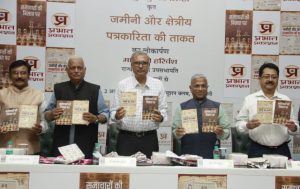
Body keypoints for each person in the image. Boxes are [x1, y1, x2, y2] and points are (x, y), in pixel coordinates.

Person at [44, 56, 109, 158]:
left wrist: (96, 118)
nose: (76, 71)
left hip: (87, 142)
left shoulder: (94, 90)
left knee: (84, 173)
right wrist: (51, 114)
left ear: (84, 70)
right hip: (61, 142)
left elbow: (106, 114)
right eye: (73, 68)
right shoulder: (59, 88)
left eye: (79, 68)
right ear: (67, 70)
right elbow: (46, 114)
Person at [236, 63, 299, 158]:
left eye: (274, 77)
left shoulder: (286, 99)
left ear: (278, 79)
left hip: (282, 150)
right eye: (266, 76)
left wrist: (293, 127)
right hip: (257, 149)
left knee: (283, 174)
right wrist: (247, 125)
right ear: (260, 78)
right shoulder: (250, 99)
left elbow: (296, 128)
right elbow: (238, 125)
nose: (270, 80)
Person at [111, 51, 167, 158]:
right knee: (125, 172)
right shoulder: (122, 85)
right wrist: (117, 115)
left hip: (149, 138)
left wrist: (160, 117)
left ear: (149, 65)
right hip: (126, 138)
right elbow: (113, 112)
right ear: (131, 65)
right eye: (137, 63)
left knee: (149, 172)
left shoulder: (158, 85)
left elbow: (163, 110)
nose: (140, 66)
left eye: (144, 63)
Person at [172, 74, 230, 159]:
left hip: (211, 157)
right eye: (196, 86)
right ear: (190, 88)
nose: (200, 89)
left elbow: (227, 131)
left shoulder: (217, 107)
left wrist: (221, 132)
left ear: (207, 88)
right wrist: (177, 133)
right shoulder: (182, 107)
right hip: (188, 156)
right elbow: (174, 132)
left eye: (203, 86)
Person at [0, 60, 48, 154]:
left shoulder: (39, 95)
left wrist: (40, 128)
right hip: (5, 149)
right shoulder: (1, 94)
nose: (19, 76)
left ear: (29, 75)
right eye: (15, 73)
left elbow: (45, 121)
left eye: (23, 73)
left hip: (31, 149)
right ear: (10, 76)